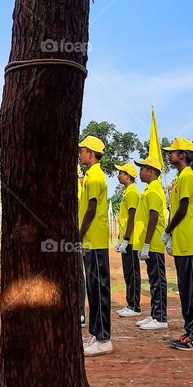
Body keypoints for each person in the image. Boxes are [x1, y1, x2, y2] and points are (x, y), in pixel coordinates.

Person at [164, 137, 193, 351]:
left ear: (183, 155)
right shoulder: (182, 177)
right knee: (185, 290)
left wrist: (167, 230)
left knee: (192, 291)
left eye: (173, 152)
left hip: (189, 242)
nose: (169, 154)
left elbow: (182, 209)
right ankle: (190, 331)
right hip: (183, 241)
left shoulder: (189, 176)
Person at [77, 136, 112, 357]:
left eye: (82, 151)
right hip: (91, 239)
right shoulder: (89, 176)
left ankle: (103, 339)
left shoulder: (96, 177)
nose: (80, 154)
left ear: (91, 153)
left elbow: (91, 209)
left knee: (99, 291)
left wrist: (78, 235)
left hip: (95, 239)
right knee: (93, 289)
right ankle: (95, 334)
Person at [134, 156, 168, 330]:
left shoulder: (154, 190)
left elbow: (154, 217)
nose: (140, 171)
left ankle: (161, 317)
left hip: (153, 242)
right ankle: (155, 314)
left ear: (151, 172)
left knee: (157, 280)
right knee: (153, 279)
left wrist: (147, 243)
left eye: (143, 168)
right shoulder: (150, 189)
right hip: (149, 242)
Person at [113, 163, 142, 319]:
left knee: (132, 273)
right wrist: (120, 238)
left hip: (130, 241)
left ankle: (135, 306)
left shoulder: (132, 193)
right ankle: (130, 303)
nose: (118, 175)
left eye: (120, 173)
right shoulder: (127, 192)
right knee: (128, 273)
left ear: (128, 176)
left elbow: (132, 216)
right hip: (126, 239)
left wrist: (126, 238)